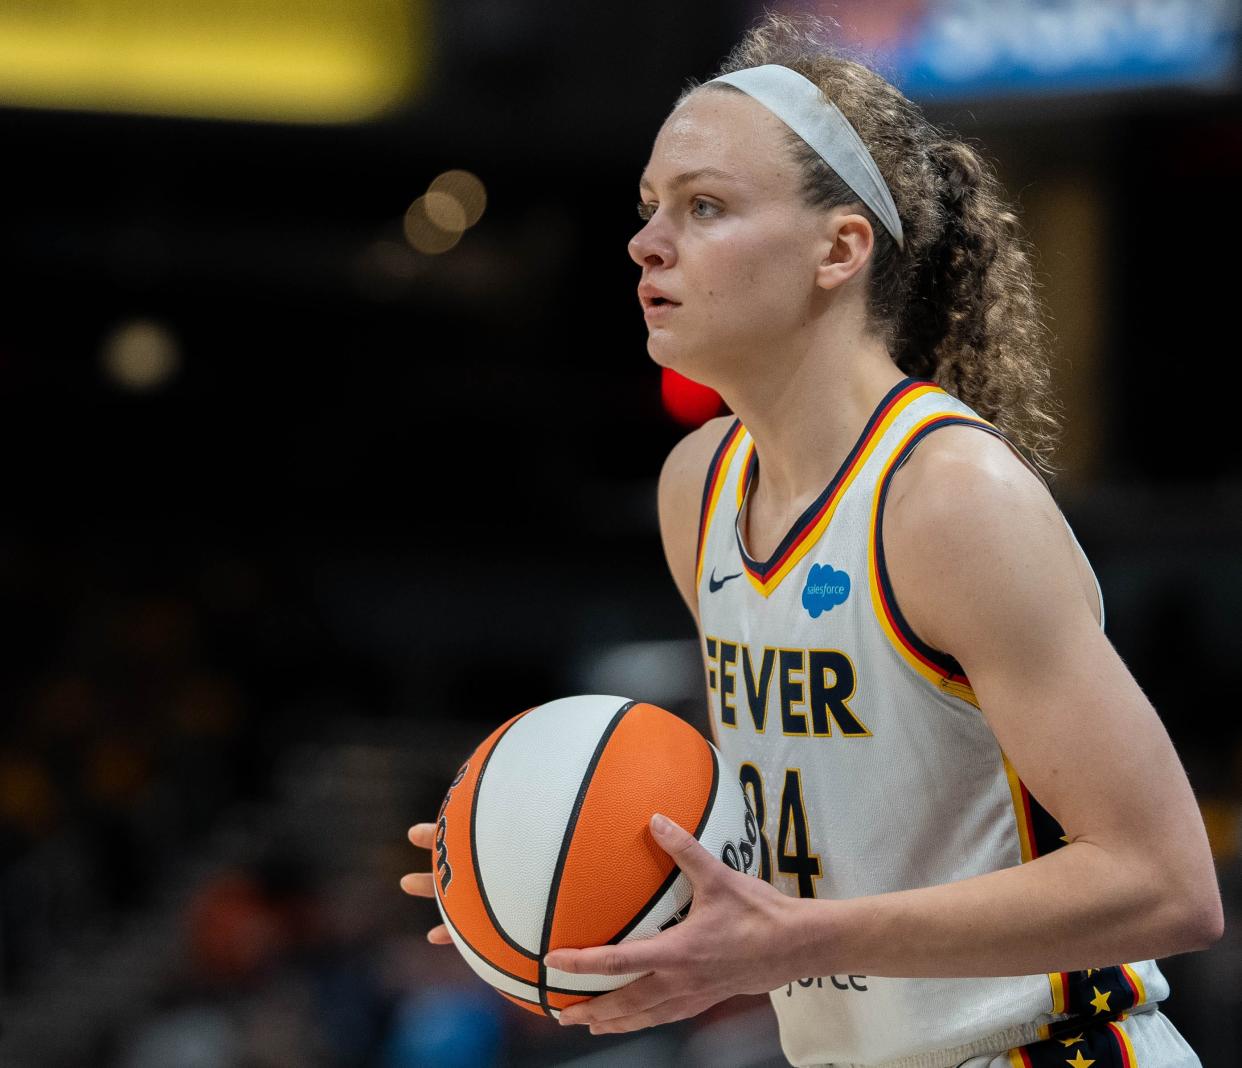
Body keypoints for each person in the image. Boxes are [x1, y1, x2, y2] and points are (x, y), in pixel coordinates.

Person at [404, 13, 1224, 1067]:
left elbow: (1167, 882)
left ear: (840, 248)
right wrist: (536, 846)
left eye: (704, 206)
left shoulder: (948, 498)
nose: (647, 241)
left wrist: (786, 944)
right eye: (650, 207)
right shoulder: (697, 488)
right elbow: (827, 831)